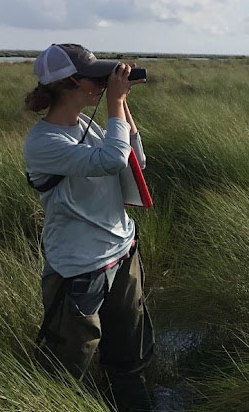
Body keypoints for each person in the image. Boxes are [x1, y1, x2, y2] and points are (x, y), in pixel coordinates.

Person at [22, 44, 154, 411]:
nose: (101, 83)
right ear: (69, 83)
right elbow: (112, 160)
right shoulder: (44, 142)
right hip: (80, 267)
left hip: (122, 254)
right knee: (69, 372)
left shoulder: (85, 124)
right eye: (94, 77)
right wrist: (114, 102)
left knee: (127, 361)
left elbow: (134, 160)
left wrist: (122, 105)